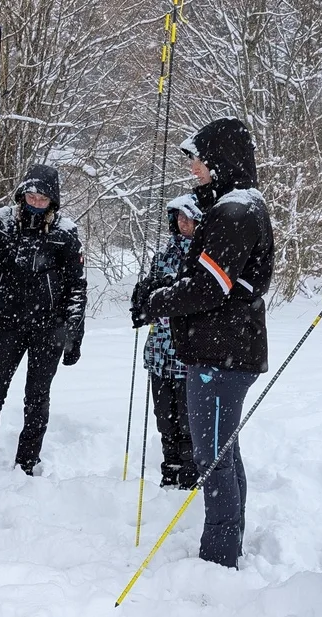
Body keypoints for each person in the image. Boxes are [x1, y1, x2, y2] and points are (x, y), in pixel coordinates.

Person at [131, 117, 274, 568]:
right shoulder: (235, 204)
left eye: (199, 160)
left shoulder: (235, 211)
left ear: (221, 159)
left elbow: (209, 286)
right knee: (222, 451)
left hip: (221, 353)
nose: (193, 169)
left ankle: (218, 556)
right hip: (224, 348)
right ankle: (227, 546)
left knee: (212, 458)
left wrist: (157, 301)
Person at [0, 164, 87, 475]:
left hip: (49, 327)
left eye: (42, 199)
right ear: (22, 194)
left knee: (37, 395)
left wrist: (74, 334)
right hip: (7, 322)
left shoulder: (65, 232)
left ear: (53, 201)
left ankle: (27, 461)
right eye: (31, 196)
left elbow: (77, 286)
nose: (35, 202)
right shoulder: (3, 222)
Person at [139, 194, 200, 489]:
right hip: (159, 352)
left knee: (188, 421)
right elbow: (150, 294)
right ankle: (169, 469)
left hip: (188, 354)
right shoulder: (164, 254)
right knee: (164, 418)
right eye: (179, 217)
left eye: (189, 218)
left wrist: (173, 298)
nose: (183, 223)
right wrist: (144, 298)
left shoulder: (205, 254)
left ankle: (190, 473)